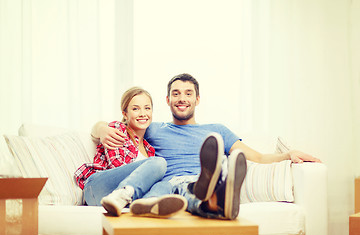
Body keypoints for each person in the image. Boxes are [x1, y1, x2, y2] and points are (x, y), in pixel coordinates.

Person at [92, 73, 321, 219]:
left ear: (197, 99)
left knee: (191, 190)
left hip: (195, 183)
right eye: (176, 94)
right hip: (168, 184)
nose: (182, 98)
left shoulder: (217, 131)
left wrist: (288, 155)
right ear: (167, 100)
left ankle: (215, 189)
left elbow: (257, 157)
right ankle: (212, 200)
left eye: (188, 93)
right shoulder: (153, 128)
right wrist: (101, 129)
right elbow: (121, 125)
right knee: (176, 188)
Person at [74, 87, 187, 217]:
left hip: (123, 200)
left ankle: (146, 204)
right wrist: (101, 128)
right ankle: (121, 195)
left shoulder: (149, 149)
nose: (143, 113)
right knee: (159, 163)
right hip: (97, 188)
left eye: (147, 108)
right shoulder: (118, 129)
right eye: (135, 109)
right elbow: (116, 165)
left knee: (165, 185)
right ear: (125, 114)